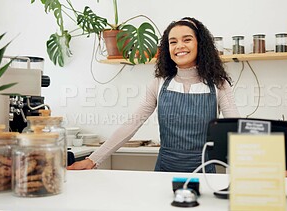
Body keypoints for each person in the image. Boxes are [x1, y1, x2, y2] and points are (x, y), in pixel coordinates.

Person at [67, 17, 240, 172]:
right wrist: (92, 160)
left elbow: (235, 128)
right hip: (164, 172)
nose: (179, 46)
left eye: (187, 40)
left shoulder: (219, 84)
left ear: (200, 44)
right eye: (173, 42)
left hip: (204, 175)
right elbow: (132, 124)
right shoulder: (159, 83)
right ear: (168, 48)